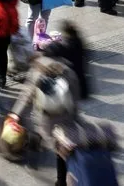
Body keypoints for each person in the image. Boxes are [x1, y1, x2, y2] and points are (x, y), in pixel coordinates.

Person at [8, 56, 81, 186]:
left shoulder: (37, 73)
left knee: (44, 137)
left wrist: (15, 113)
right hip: (65, 116)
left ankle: (35, 156)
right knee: (62, 147)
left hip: (46, 119)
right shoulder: (69, 72)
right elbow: (75, 97)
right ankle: (61, 180)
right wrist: (74, 116)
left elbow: (26, 96)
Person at [42, 21, 90, 99]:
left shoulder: (67, 44)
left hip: (71, 77)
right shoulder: (78, 40)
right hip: (80, 71)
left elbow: (56, 49)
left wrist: (50, 46)